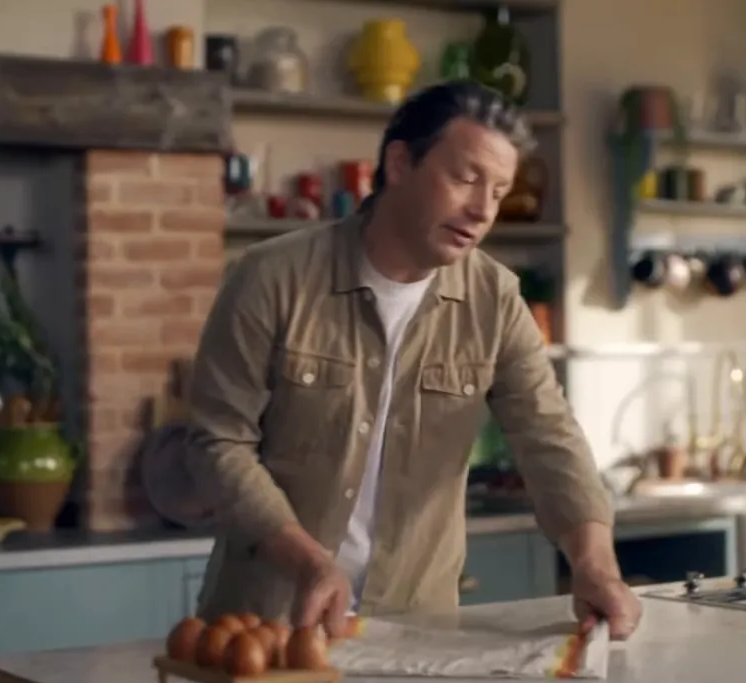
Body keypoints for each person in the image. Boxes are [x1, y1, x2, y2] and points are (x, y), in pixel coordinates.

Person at [185, 80, 641, 641]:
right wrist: (309, 562)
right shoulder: (272, 277)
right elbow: (217, 443)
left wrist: (594, 561)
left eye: (498, 192)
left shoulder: (494, 298)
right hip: (266, 627)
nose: (481, 210)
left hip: (418, 632)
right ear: (399, 162)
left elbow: (548, 434)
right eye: (466, 178)